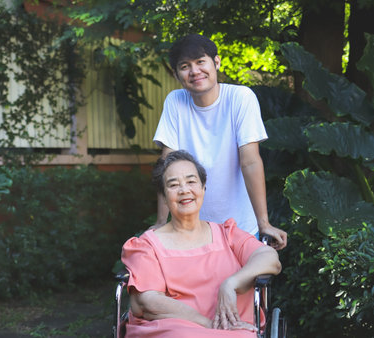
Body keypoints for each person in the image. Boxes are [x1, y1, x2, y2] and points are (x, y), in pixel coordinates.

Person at [121, 150, 282, 337]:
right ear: (164, 197)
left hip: (234, 326)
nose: (184, 190)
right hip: (173, 329)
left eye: (191, 181)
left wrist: (230, 284)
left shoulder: (227, 234)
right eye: (173, 185)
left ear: (203, 188)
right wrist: (208, 325)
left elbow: (269, 258)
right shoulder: (147, 245)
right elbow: (147, 302)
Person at [153, 34, 287, 249]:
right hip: (192, 229)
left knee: (243, 281)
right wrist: (161, 221)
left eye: (200, 62)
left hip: (241, 227)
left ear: (216, 62)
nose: (195, 71)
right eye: (185, 66)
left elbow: (250, 161)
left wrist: (264, 223)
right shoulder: (175, 102)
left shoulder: (241, 98)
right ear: (177, 74)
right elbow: (168, 165)